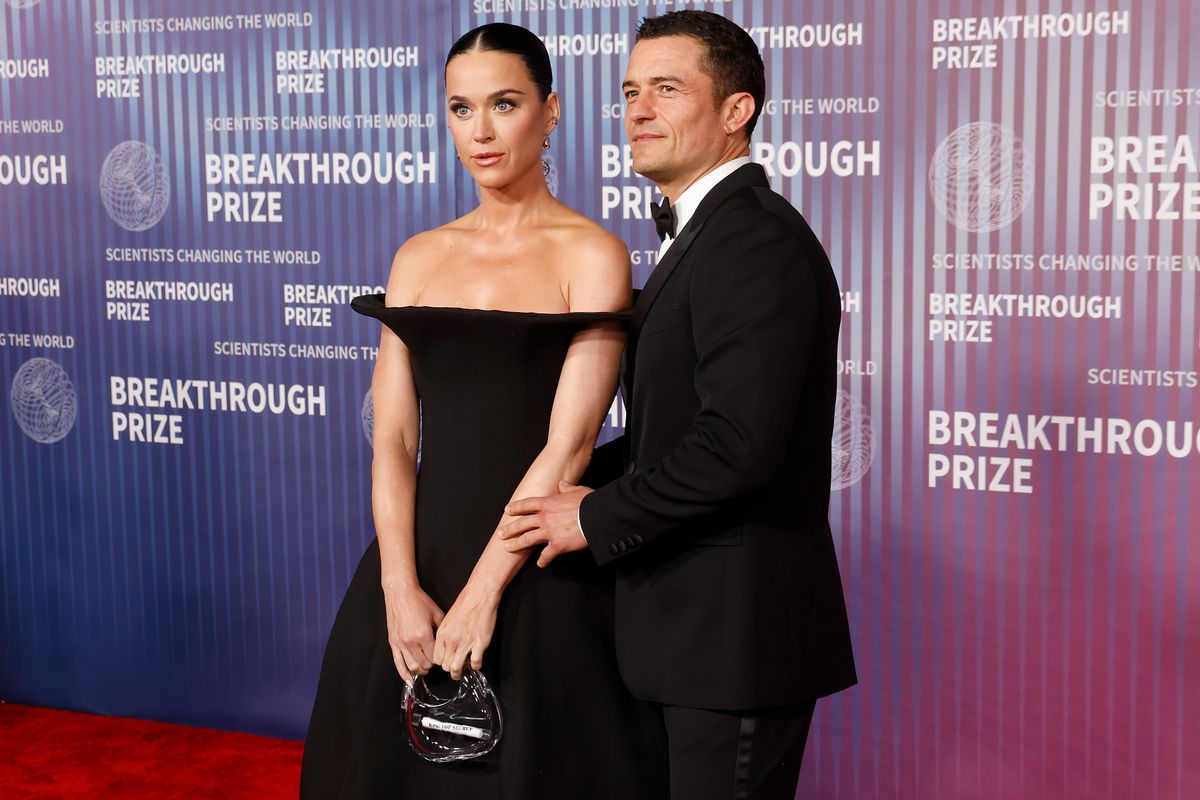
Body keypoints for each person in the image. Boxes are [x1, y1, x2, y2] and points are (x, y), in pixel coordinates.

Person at [300, 23, 665, 799]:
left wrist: (480, 593)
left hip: (537, 563)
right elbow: (394, 439)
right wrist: (400, 584)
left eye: (504, 104)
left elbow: (570, 446)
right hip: (419, 560)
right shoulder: (418, 257)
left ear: (551, 110)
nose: (483, 130)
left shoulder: (592, 255)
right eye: (462, 109)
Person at [500, 10, 857, 799]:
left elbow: (736, 446)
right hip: (686, 635)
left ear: (738, 112)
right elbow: (676, 431)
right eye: (630, 91)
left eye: (666, 88)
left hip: (735, 644)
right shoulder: (710, 235)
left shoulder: (752, 241)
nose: (637, 110)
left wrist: (590, 517)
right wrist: (559, 482)